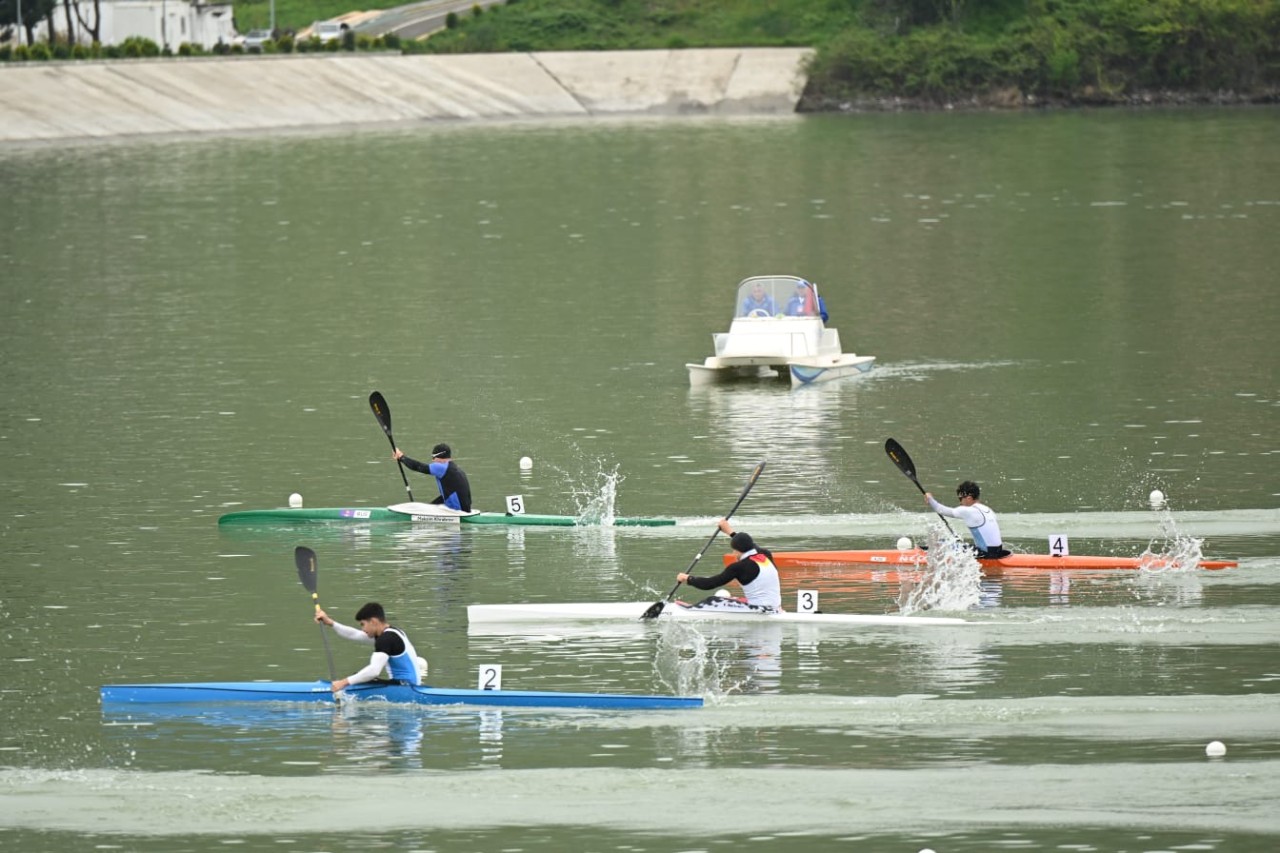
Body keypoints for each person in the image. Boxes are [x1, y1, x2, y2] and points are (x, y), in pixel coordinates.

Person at [313, 602, 428, 693]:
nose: (362, 629)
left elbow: (374, 671)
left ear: (373, 621)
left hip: (404, 688)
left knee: (357, 678)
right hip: (409, 686)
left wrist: (343, 683)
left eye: (363, 624)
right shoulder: (393, 633)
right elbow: (354, 634)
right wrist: (330, 622)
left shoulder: (386, 639)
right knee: (358, 677)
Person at [676, 518, 782, 612]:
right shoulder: (765, 555)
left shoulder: (739, 567)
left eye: (733, 550)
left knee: (712, 600)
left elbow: (710, 584)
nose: (733, 553)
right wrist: (729, 531)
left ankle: (689, 610)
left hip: (760, 610)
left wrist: (688, 579)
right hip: (775, 607)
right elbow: (749, 544)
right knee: (727, 597)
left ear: (736, 550)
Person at [924, 480, 1011, 559]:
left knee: (939, 544)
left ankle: (926, 555)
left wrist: (930, 499)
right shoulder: (988, 510)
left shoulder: (969, 511)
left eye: (960, 499)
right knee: (956, 544)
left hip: (986, 554)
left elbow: (941, 510)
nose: (960, 502)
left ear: (969, 498)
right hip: (998, 552)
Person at [393, 442, 472, 512]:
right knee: (427, 507)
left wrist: (401, 457)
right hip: (465, 508)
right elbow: (448, 495)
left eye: (433, 457)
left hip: (457, 510)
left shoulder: (441, 467)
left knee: (425, 509)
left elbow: (418, 467)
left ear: (439, 457)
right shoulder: (454, 468)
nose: (433, 460)